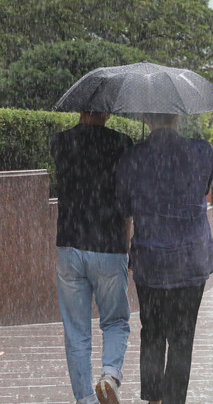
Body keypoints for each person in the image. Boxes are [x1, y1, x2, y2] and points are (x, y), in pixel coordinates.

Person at [116, 113, 213, 404]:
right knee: (182, 337)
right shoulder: (202, 152)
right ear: (177, 116)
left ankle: (153, 399)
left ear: (147, 119)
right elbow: (204, 189)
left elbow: (124, 205)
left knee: (152, 332)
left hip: (151, 261)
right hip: (191, 259)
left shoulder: (132, 158)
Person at [51, 111, 133, 404]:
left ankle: (85, 399)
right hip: (109, 247)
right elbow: (126, 199)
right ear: (108, 111)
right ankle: (110, 375)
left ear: (81, 108)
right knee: (115, 322)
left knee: (76, 330)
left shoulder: (60, 142)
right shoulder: (122, 143)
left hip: (70, 246)